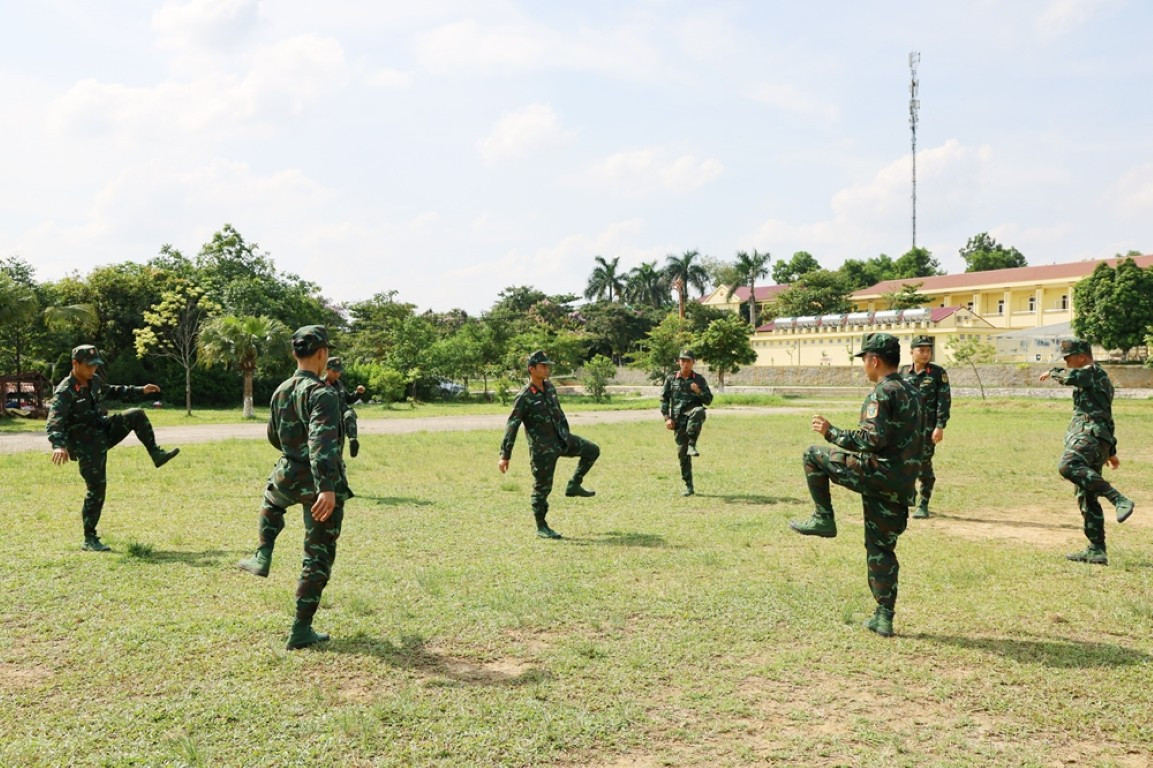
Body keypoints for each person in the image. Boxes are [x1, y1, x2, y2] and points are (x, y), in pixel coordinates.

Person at [788, 332, 923, 637]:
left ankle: (824, 518)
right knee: (881, 548)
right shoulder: (914, 393)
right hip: (901, 483)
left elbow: (869, 440)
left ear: (874, 360)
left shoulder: (881, 393)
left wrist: (830, 432)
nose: (864, 365)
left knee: (813, 455)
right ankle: (884, 615)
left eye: (864, 359)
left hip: (877, 475)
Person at [238, 325, 352, 650]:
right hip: (319, 482)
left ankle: (263, 552)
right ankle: (301, 629)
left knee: (271, 500)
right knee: (317, 555)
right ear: (322, 354)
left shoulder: (281, 390)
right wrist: (326, 487)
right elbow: (321, 442)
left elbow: (273, 435)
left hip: (287, 472)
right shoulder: (323, 394)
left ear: (294, 354)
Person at [45, 345, 180, 552]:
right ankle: (89, 538)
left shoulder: (94, 381)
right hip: (86, 445)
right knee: (97, 488)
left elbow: (114, 390)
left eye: (95, 366)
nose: (93, 370)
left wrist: (140, 390)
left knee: (136, 414)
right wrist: (58, 446)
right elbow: (54, 421)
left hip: (103, 430)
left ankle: (156, 454)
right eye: (89, 366)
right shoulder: (65, 391)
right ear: (75, 364)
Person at [1039, 338, 1134, 566]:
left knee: (1068, 465)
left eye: (1069, 358)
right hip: (1097, 438)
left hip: (1089, 435)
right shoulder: (1097, 378)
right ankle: (1096, 549)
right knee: (1086, 494)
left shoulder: (1090, 371)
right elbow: (1107, 414)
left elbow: (1070, 377)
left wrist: (1053, 371)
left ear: (1082, 356)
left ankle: (1118, 499)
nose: (1067, 362)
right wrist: (1111, 451)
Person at [498, 350, 600, 539]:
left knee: (592, 450)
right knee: (542, 488)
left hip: (562, 440)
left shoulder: (550, 388)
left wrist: (566, 432)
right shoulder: (524, 396)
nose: (547, 369)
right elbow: (512, 424)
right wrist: (505, 455)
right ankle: (541, 526)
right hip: (542, 449)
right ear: (532, 369)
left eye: (547, 366)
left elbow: (558, 414)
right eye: (543, 366)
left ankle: (574, 484)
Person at [900, 335, 951, 518]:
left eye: (928, 350)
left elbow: (943, 401)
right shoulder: (903, 372)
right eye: (921, 350)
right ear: (911, 352)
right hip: (906, 429)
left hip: (927, 429)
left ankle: (923, 503)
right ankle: (908, 496)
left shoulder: (937, 373)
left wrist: (940, 426)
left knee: (923, 465)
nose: (925, 354)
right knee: (903, 463)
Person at [660, 349, 713, 496]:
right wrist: (667, 418)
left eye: (688, 360)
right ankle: (688, 486)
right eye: (682, 360)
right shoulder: (671, 379)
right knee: (682, 455)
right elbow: (664, 400)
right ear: (678, 362)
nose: (685, 363)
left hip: (693, 416)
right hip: (678, 421)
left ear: (693, 362)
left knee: (698, 411)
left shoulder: (699, 380)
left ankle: (692, 444)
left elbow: (708, 400)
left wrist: (698, 391)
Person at [324, 356, 366, 458]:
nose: (337, 374)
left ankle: (352, 439)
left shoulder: (339, 383)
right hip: (328, 426)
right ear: (326, 370)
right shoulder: (320, 385)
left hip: (341, 424)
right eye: (334, 371)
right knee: (329, 455)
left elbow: (348, 399)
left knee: (349, 413)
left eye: (339, 371)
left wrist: (358, 393)